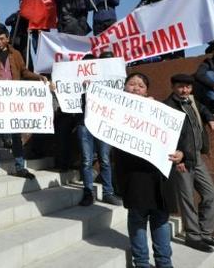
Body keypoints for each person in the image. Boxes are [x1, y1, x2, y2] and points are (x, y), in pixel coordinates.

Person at [113, 72, 182, 268]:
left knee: (160, 218)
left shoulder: (160, 109)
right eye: (131, 84)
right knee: (137, 217)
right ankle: (141, 262)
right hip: (133, 173)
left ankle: (164, 262)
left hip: (158, 174)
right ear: (124, 88)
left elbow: (177, 135)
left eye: (140, 85)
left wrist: (181, 153)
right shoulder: (114, 109)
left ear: (147, 91)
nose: (135, 88)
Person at [165, 74, 214, 253]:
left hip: (196, 157)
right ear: (173, 87)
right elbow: (167, 134)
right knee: (187, 199)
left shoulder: (192, 101)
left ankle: (205, 233)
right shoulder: (167, 106)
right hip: (181, 160)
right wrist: (177, 159)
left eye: (188, 87)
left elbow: (203, 109)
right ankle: (193, 236)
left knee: (212, 194)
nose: (185, 90)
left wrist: (211, 119)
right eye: (181, 87)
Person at [0, 27, 48, 181]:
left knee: (16, 135)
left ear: (8, 39)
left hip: (13, 100)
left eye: (2, 38)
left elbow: (24, 72)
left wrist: (38, 77)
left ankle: (20, 167)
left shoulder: (16, 54)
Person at [75, 55, 121, 206]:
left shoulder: (109, 80)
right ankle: (88, 192)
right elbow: (67, 97)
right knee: (86, 160)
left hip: (103, 123)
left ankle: (108, 193)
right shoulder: (76, 82)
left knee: (105, 159)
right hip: (84, 124)